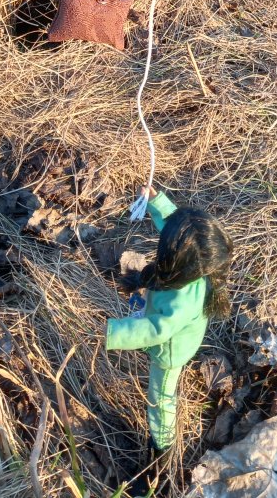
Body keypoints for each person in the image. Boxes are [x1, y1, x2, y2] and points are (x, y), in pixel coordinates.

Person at [106, 186, 234, 468]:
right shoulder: (195, 264)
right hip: (174, 331)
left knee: (161, 398)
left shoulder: (182, 298)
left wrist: (112, 332)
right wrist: (156, 200)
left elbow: (156, 329)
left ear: (177, 258)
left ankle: (161, 447)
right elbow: (179, 229)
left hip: (169, 351)